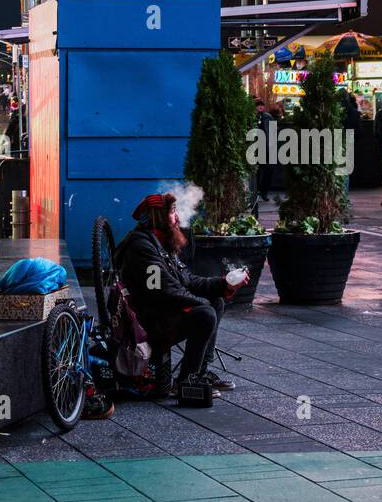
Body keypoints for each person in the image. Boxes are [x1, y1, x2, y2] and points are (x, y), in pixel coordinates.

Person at [115, 192, 247, 402]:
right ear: (158, 216)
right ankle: (186, 381)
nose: (177, 218)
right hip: (150, 321)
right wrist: (201, 304)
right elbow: (162, 291)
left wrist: (223, 284)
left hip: (164, 310)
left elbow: (187, 280)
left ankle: (200, 372)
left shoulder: (160, 242)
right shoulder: (142, 248)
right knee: (205, 313)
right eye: (172, 212)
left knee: (216, 300)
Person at [254, 99, 273, 201]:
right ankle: (256, 192)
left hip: (266, 148)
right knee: (255, 171)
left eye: (262, 105)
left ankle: (263, 191)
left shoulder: (268, 117)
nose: (260, 107)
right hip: (255, 148)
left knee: (269, 169)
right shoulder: (252, 117)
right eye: (258, 105)